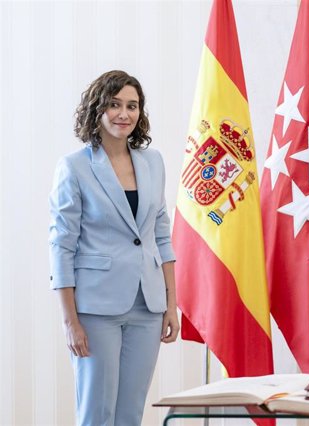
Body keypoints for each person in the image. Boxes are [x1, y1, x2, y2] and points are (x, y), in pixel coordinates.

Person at [49, 70, 179, 426]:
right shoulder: (74, 167)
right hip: (96, 309)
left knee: (129, 414)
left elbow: (161, 235)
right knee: (97, 414)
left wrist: (171, 304)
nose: (124, 113)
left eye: (132, 106)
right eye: (115, 104)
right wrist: (70, 321)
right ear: (97, 109)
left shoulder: (153, 162)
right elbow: (61, 245)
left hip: (147, 307)